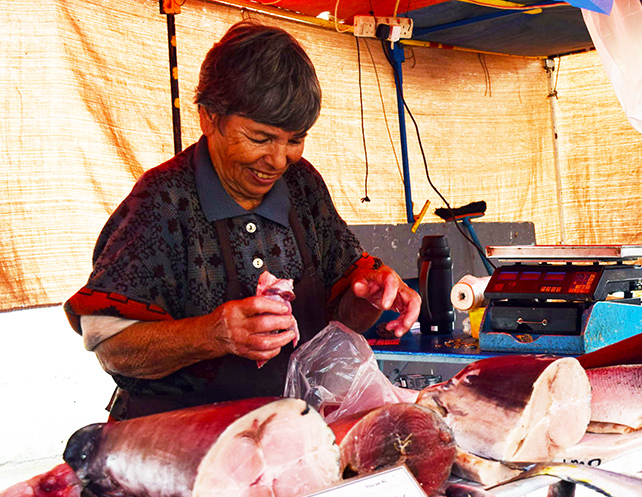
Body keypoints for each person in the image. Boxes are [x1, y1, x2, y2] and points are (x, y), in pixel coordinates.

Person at [64, 21, 420, 420]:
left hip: (286, 434)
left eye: (295, 139)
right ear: (209, 118)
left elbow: (337, 321)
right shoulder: (163, 200)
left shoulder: (303, 187)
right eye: (261, 138)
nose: (279, 160)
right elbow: (113, 347)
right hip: (177, 441)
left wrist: (368, 298)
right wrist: (211, 334)